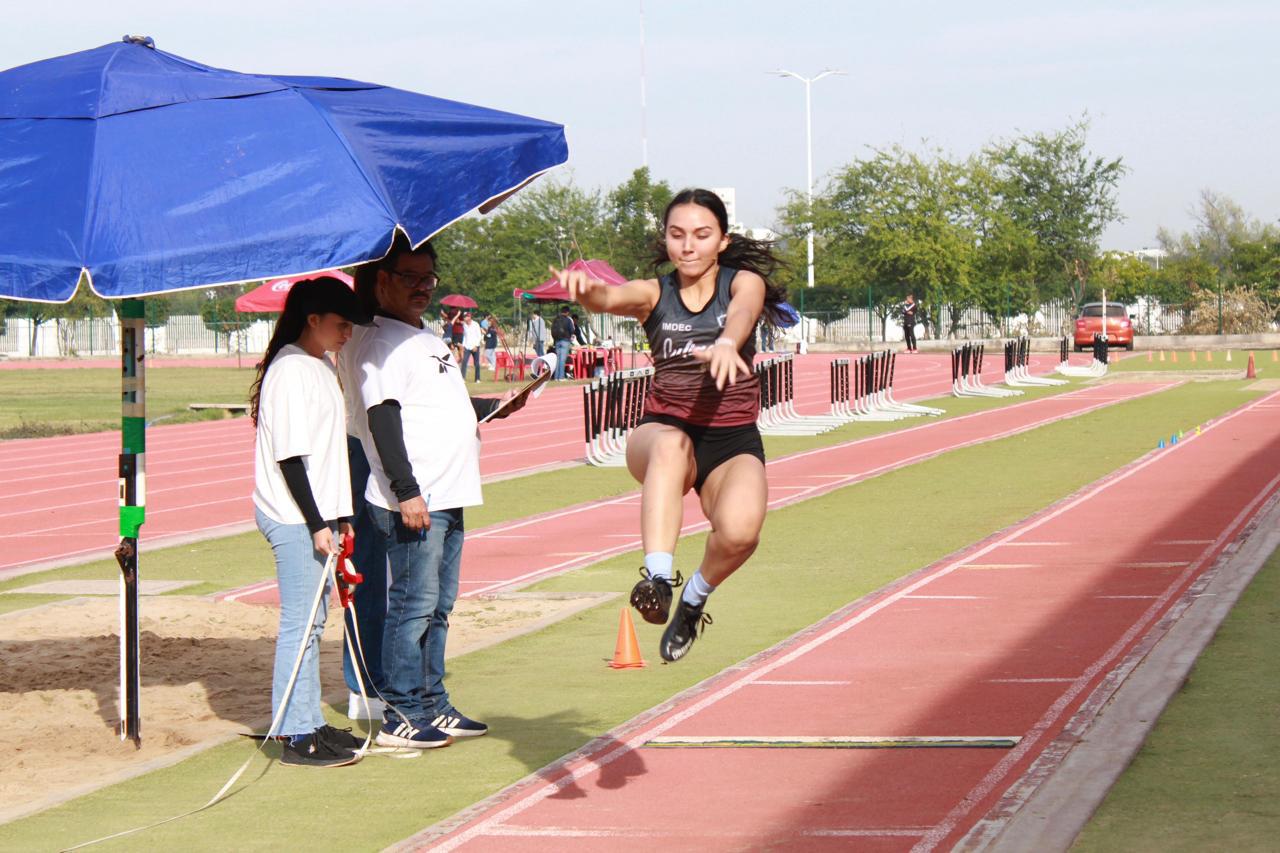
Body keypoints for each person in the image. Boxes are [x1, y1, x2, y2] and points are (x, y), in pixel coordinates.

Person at [554, 188, 786, 662]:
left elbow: (742, 313)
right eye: (677, 235)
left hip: (731, 439)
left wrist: (726, 344)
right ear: (666, 239)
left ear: (721, 240)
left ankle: (694, 599)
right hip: (660, 431)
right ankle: (657, 578)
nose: (688, 246)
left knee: (741, 534)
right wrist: (587, 291)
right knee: (672, 444)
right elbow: (610, 296)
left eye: (702, 235)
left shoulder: (743, 283)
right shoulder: (655, 292)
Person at [354, 235, 526, 749]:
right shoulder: (379, 341)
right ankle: (400, 713)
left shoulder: (422, 335)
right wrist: (407, 492)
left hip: (449, 492)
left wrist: (494, 405)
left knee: (438, 607)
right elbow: (382, 419)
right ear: (382, 281)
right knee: (412, 606)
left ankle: (433, 703)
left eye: (429, 278)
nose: (424, 288)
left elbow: (435, 405)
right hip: (416, 498)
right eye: (411, 278)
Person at [249, 276, 371, 767]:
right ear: (313, 320)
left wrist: (341, 518)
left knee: (315, 620)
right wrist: (318, 522)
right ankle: (294, 733)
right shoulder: (291, 370)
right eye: (341, 325)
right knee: (300, 623)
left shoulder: (318, 365)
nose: (347, 334)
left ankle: (310, 721)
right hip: (293, 512)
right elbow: (291, 459)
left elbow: (328, 454)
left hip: (318, 514)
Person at [551, 305, 575, 379]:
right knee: (562, 360)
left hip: (557, 341)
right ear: (567, 312)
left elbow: (552, 330)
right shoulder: (568, 320)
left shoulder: (556, 319)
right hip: (565, 341)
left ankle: (556, 377)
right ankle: (561, 377)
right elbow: (572, 330)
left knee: (558, 360)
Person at [460, 311, 483, 382]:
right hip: (467, 346)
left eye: (466, 317)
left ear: (469, 317)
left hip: (475, 346)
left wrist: (476, 346)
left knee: (476, 363)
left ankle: (477, 379)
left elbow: (479, 336)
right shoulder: (464, 325)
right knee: (464, 362)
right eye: (464, 317)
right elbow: (464, 336)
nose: (464, 318)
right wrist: (463, 345)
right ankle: (462, 378)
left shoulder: (475, 324)